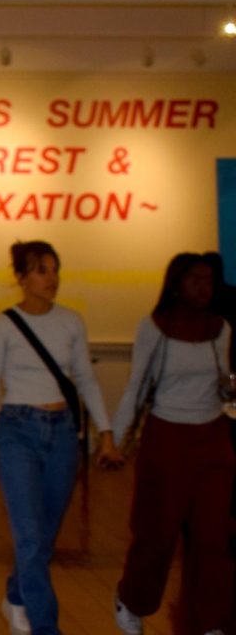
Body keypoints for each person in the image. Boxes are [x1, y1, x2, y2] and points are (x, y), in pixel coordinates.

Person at [0, 240, 120, 635]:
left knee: (45, 535)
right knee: (30, 535)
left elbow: (85, 380)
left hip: (62, 433)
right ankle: (45, 627)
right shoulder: (2, 325)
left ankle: (16, 593)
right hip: (16, 431)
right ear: (21, 277)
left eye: (54, 270)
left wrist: (106, 432)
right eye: (41, 270)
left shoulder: (71, 322)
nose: (50, 278)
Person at [110, 253, 234, 635]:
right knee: (156, 534)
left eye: (209, 280)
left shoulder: (221, 328)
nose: (204, 287)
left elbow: (225, 381)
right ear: (177, 283)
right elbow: (136, 385)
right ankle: (132, 600)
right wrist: (115, 441)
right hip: (166, 438)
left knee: (214, 538)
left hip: (212, 439)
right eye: (196, 279)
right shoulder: (155, 328)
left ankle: (210, 619)